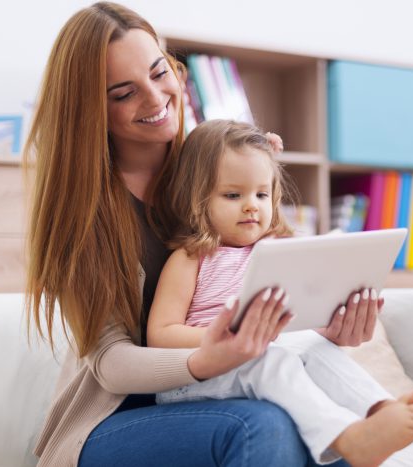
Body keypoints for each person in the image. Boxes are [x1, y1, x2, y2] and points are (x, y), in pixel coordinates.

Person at [23, 3, 388, 466]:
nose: (155, 99)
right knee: (264, 425)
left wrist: (326, 327)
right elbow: (111, 364)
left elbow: (275, 287)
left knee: (327, 423)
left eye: (160, 73)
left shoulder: (223, 171)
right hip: (114, 420)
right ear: (89, 110)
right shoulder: (83, 212)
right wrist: (205, 359)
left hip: (229, 383)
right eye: (123, 93)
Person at [146, 119, 413, 466]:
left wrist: (329, 325)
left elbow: (295, 329)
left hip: (258, 359)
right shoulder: (190, 258)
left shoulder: (277, 252)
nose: (252, 206)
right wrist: (224, 340)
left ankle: (382, 411)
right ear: (196, 198)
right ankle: (347, 437)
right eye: (233, 195)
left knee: (314, 346)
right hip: (193, 382)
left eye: (261, 194)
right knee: (269, 358)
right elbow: (159, 335)